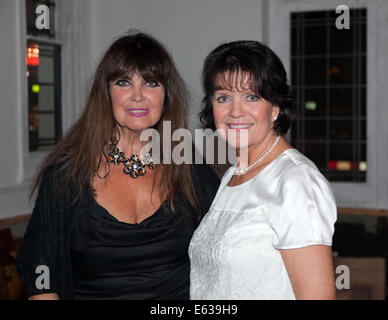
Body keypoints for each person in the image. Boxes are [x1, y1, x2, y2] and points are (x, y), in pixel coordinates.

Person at [15, 31, 220, 300]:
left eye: (151, 83)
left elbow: (233, 243)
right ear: (106, 93)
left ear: (166, 95)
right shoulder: (66, 176)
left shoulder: (188, 169)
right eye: (124, 82)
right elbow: (41, 272)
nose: (138, 96)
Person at [189, 40, 337, 300]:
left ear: (276, 107)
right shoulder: (233, 175)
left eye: (251, 97)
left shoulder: (295, 181)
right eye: (224, 97)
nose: (235, 111)